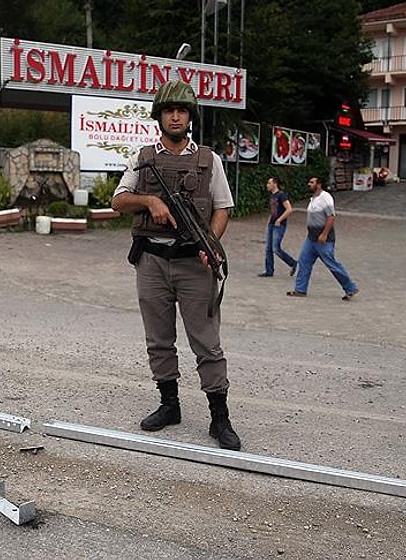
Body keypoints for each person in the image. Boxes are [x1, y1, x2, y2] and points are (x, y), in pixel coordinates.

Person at [111, 80, 241, 450]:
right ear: (159, 116)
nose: (175, 116)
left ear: (190, 117)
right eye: (169, 110)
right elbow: (118, 200)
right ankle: (170, 405)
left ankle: (220, 417)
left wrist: (210, 244)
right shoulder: (142, 157)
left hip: (193, 264)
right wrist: (149, 201)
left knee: (206, 342)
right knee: (159, 340)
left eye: (182, 110)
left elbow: (222, 208)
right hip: (152, 260)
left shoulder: (208, 160)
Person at [286, 176, 359, 301]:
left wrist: (324, 234)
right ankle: (300, 289)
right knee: (304, 262)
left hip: (323, 239)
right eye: (309, 182)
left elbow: (331, 217)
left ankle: (350, 287)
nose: (309, 184)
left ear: (319, 185)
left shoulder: (325, 198)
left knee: (332, 264)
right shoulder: (313, 199)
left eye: (312, 182)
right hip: (311, 238)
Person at [257, 177, 298, 278]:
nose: (267, 185)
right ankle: (269, 270)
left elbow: (289, 209)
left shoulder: (281, 195)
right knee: (268, 248)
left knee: (276, 248)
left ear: (275, 184)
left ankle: (292, 262)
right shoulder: (272, 196)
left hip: (279, 225)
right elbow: (274, 211)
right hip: (272, 224)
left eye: (269, 183)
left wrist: (279, 220)